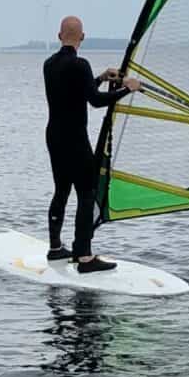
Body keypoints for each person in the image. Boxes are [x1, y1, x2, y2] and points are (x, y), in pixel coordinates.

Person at [43, 15, 139, 273]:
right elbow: (95, 101)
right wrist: (127, 89)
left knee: (61, 190)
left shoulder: (49, 64)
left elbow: (76, 92)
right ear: (83, 37)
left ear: (59, 36)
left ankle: (55, 248)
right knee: (86, 194)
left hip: (54, 137)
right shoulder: (80, 64)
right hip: (75, 139)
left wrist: (100, 77)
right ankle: (84, 257)